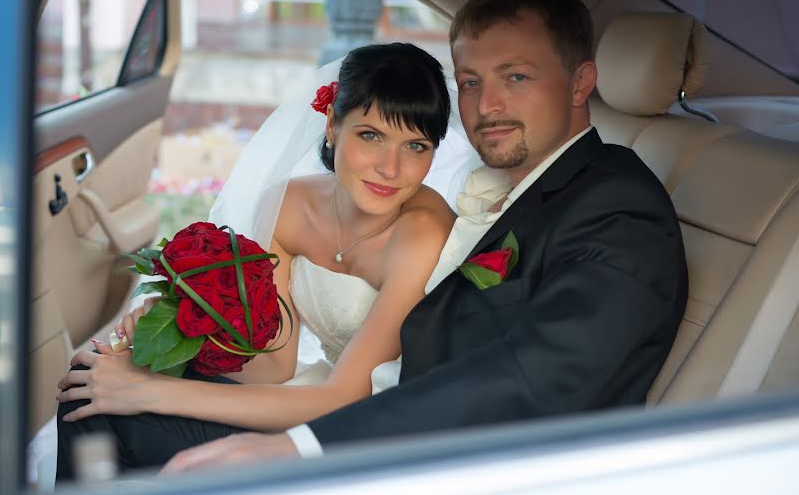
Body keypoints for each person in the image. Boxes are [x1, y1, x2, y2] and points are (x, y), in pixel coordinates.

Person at [156, 0, 689, 474]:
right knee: (116, 417)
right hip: (382, 419)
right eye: (472, 82)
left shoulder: (616, 203)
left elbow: (542, 373)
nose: (487, 106)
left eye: (517, 77)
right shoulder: (514, 186)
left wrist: (300, 448)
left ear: (580, 84)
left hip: (455, 461)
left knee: (132, 434)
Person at [55, 42, 483, 480]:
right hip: (312, 397)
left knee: (108, 408)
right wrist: (183, 330)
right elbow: (275, 365)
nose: (391, 168)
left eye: (415, 146)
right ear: (333, 125)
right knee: (87, 383)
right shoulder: (291, 205)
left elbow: (344, 398)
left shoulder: (422, 233)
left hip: (374, 427)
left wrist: (148, 392)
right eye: (370, 136)